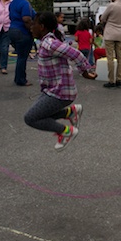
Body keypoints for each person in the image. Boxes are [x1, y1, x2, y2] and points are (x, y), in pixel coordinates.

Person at [25, 12, 97, 151]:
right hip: (53, 91)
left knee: (31, 118)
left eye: (34, 24)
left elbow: (76, 54)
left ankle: (66, 131)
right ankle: (70, 112)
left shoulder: (49, 43)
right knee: (40, 114)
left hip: (60, 92)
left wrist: (84, 72)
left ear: (42, 26)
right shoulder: (46, 42)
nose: (31, 28)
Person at [8, 0, 36, 86]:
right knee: (23, 57)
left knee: (20, 56)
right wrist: (32, 30)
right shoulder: (25, 3)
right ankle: (21, 80)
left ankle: (18, 78)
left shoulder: (13, 2)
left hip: (12, 30)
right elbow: (26, 19)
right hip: (22, 31)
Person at [100, 0, 121, 89]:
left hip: (110, 33)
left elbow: (103, 18)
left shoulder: (112, 5)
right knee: (120, 57)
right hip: (119, 32)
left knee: (110, 58)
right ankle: (119, 79)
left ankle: (111, 80)